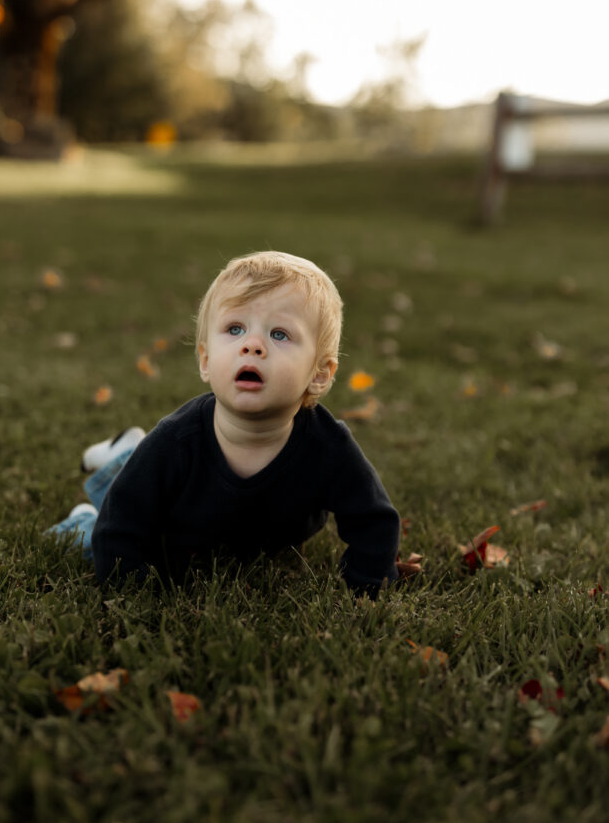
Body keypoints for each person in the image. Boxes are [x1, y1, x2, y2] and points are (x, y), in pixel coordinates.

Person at [48, 251, 403, 597]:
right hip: (174, 526)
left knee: (142, 469)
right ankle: (86, 511)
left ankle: (126, 449)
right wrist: (132, 591)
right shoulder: (177, 440)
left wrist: (369, 584)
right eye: (235, 329)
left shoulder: (328, 448)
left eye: (279, 334)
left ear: (319, 375)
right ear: (205, 360)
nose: (252, 345)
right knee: (104, 528)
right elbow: (121, 519)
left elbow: (374, 520)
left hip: (248, 531)